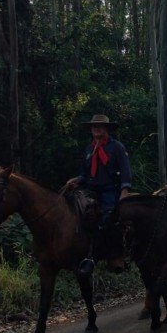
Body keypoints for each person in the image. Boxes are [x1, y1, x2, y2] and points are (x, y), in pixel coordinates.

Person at [65, 114, 132, 275]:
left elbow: (125, 172)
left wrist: (125, 191)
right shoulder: (89, 149)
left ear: (106, 129)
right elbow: (84, 173)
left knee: (107, 219)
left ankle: (110, 256)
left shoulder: (117, 147)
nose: (97, 129)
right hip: (90, 189)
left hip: (110, 189)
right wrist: (76, 180)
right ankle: (79, 253)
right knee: (76, 213)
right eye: (94, 126)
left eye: (100, 126)